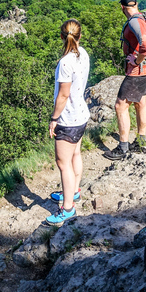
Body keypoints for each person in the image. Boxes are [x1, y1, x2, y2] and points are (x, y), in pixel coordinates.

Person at [46, 19, 90, 225]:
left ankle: (68, 209)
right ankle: (73, 192)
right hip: (81, 114)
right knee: (76, 155)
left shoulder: (65, 63)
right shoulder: (84, 55)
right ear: (80, 36)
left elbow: (63, 96)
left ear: (62, 37)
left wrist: (54, 119)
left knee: (63, 164)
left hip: (68, 119)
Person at [103, 0, 146, 160]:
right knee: (140, 102)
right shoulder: (143, 17)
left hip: (137, 72)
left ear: (122, 7)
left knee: (120, 106)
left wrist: (136, 60)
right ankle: (141, 140)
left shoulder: (134, 22)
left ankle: (123, 147)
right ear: (136, 4)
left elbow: (145, 44)